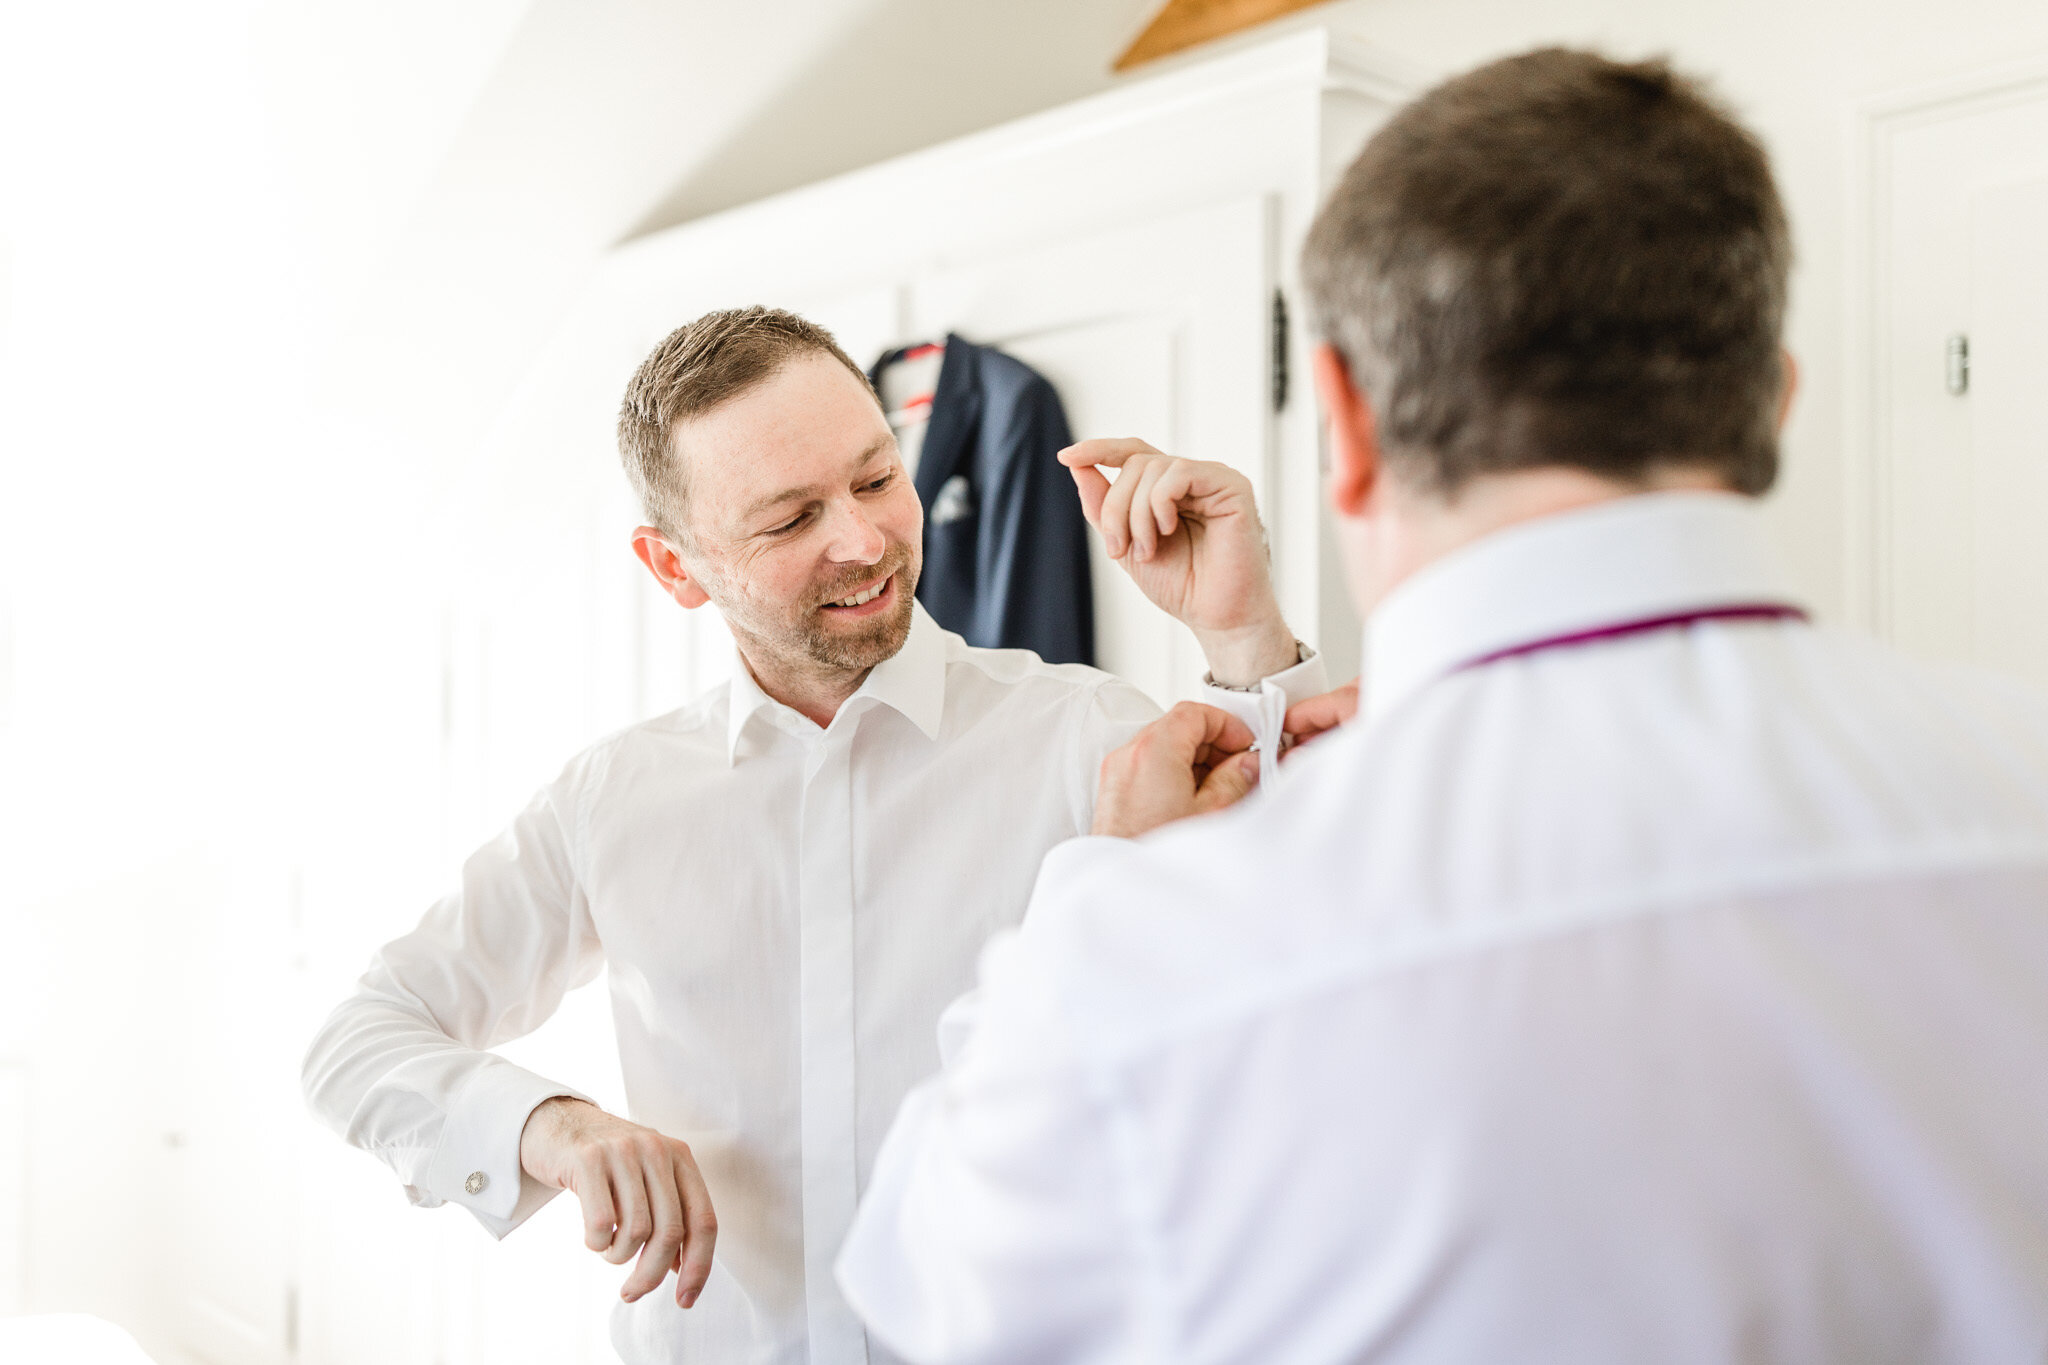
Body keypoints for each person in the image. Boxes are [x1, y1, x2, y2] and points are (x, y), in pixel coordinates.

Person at [836, 48, 2048, 1364]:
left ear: (1343, 420)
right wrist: (1247, 652)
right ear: (1774, 400)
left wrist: (1106, 883)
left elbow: (925, 1286)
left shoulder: (1145, 967)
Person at [300, 306, 1324, 1364]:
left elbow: (1299, 960)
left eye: (876, 478)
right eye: (789, 520)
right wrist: (549, 1127)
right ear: (675, 567)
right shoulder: (611, 801)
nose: (864, 539)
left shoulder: (1083, 737)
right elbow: (356, 1042)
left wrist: (1240, 633)